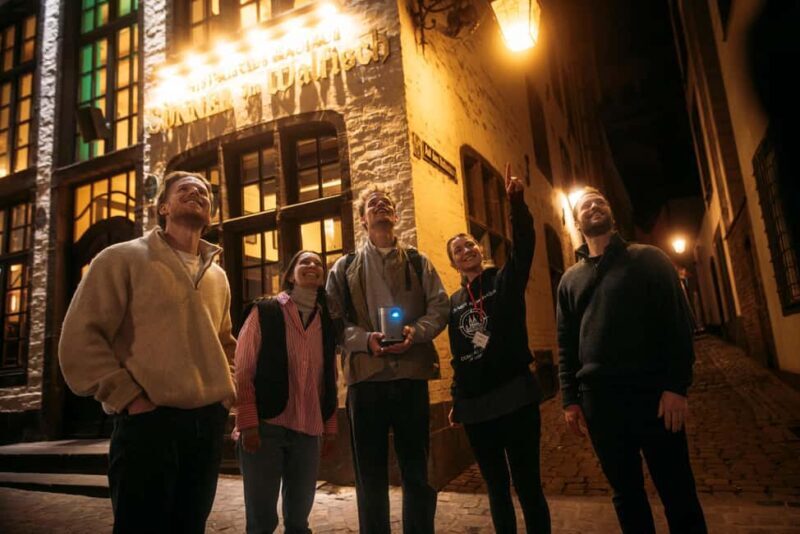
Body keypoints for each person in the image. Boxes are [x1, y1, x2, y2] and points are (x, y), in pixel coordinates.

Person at [59, 171, 236, 533]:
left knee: (190, 526)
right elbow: (81, 339)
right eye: (184, 189)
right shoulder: (121, 258)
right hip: (147, 424)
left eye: (203, 192)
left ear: (212, 213)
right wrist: (129, 397)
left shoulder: (218, 276)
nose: (196, 193)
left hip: (206, 426)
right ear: (163, 207)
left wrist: (226, 392)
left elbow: (224, 342)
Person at [557, 187, 707, 534]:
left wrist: (675, 386)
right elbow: (565, 344)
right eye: (586, 205)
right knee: (626, 495)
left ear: (611, 214)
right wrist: (570, 399)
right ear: (577, 221)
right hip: (600, 403)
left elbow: (678, 325)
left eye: (600, 202)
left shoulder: (649, 259)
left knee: (677, 491)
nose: (594, 206)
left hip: (654, 396)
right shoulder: (569, 280)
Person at [326, 185, 449, 534]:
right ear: (364, 220)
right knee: (370, 476)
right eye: (372, 205)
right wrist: (365, 340)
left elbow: (440, 307)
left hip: (410, 376)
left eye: (387, 204)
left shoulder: (417, 261)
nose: (380, 207)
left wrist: (416, 332)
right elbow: (334, 322)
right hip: (366, 382)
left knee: (418, 471)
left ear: (395, 217)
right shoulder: (344, 267)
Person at [446, 164, 551, 534]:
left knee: (527, 485)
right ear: (454, 262)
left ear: (480, 250)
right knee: (496, 488)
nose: (465, 250)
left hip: (515, 398)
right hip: (477, 410)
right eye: (458, 249)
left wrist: (516, 202)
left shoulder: (504, 279)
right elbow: (459, 356)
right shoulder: (455, 303)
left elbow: (524, 244)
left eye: (469, 244)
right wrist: (457, 399)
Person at [234, 250, 338, 534]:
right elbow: (243, 368)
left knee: (298, 520)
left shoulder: (326, 320)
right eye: (304, 261)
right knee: (261, 520)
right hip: (266, 426)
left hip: (308, 430)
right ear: (291, 274)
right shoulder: (265, 311)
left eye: (318, 263)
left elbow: (328, 375)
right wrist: (248, 422)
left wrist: (329, 425)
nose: (313, 265)